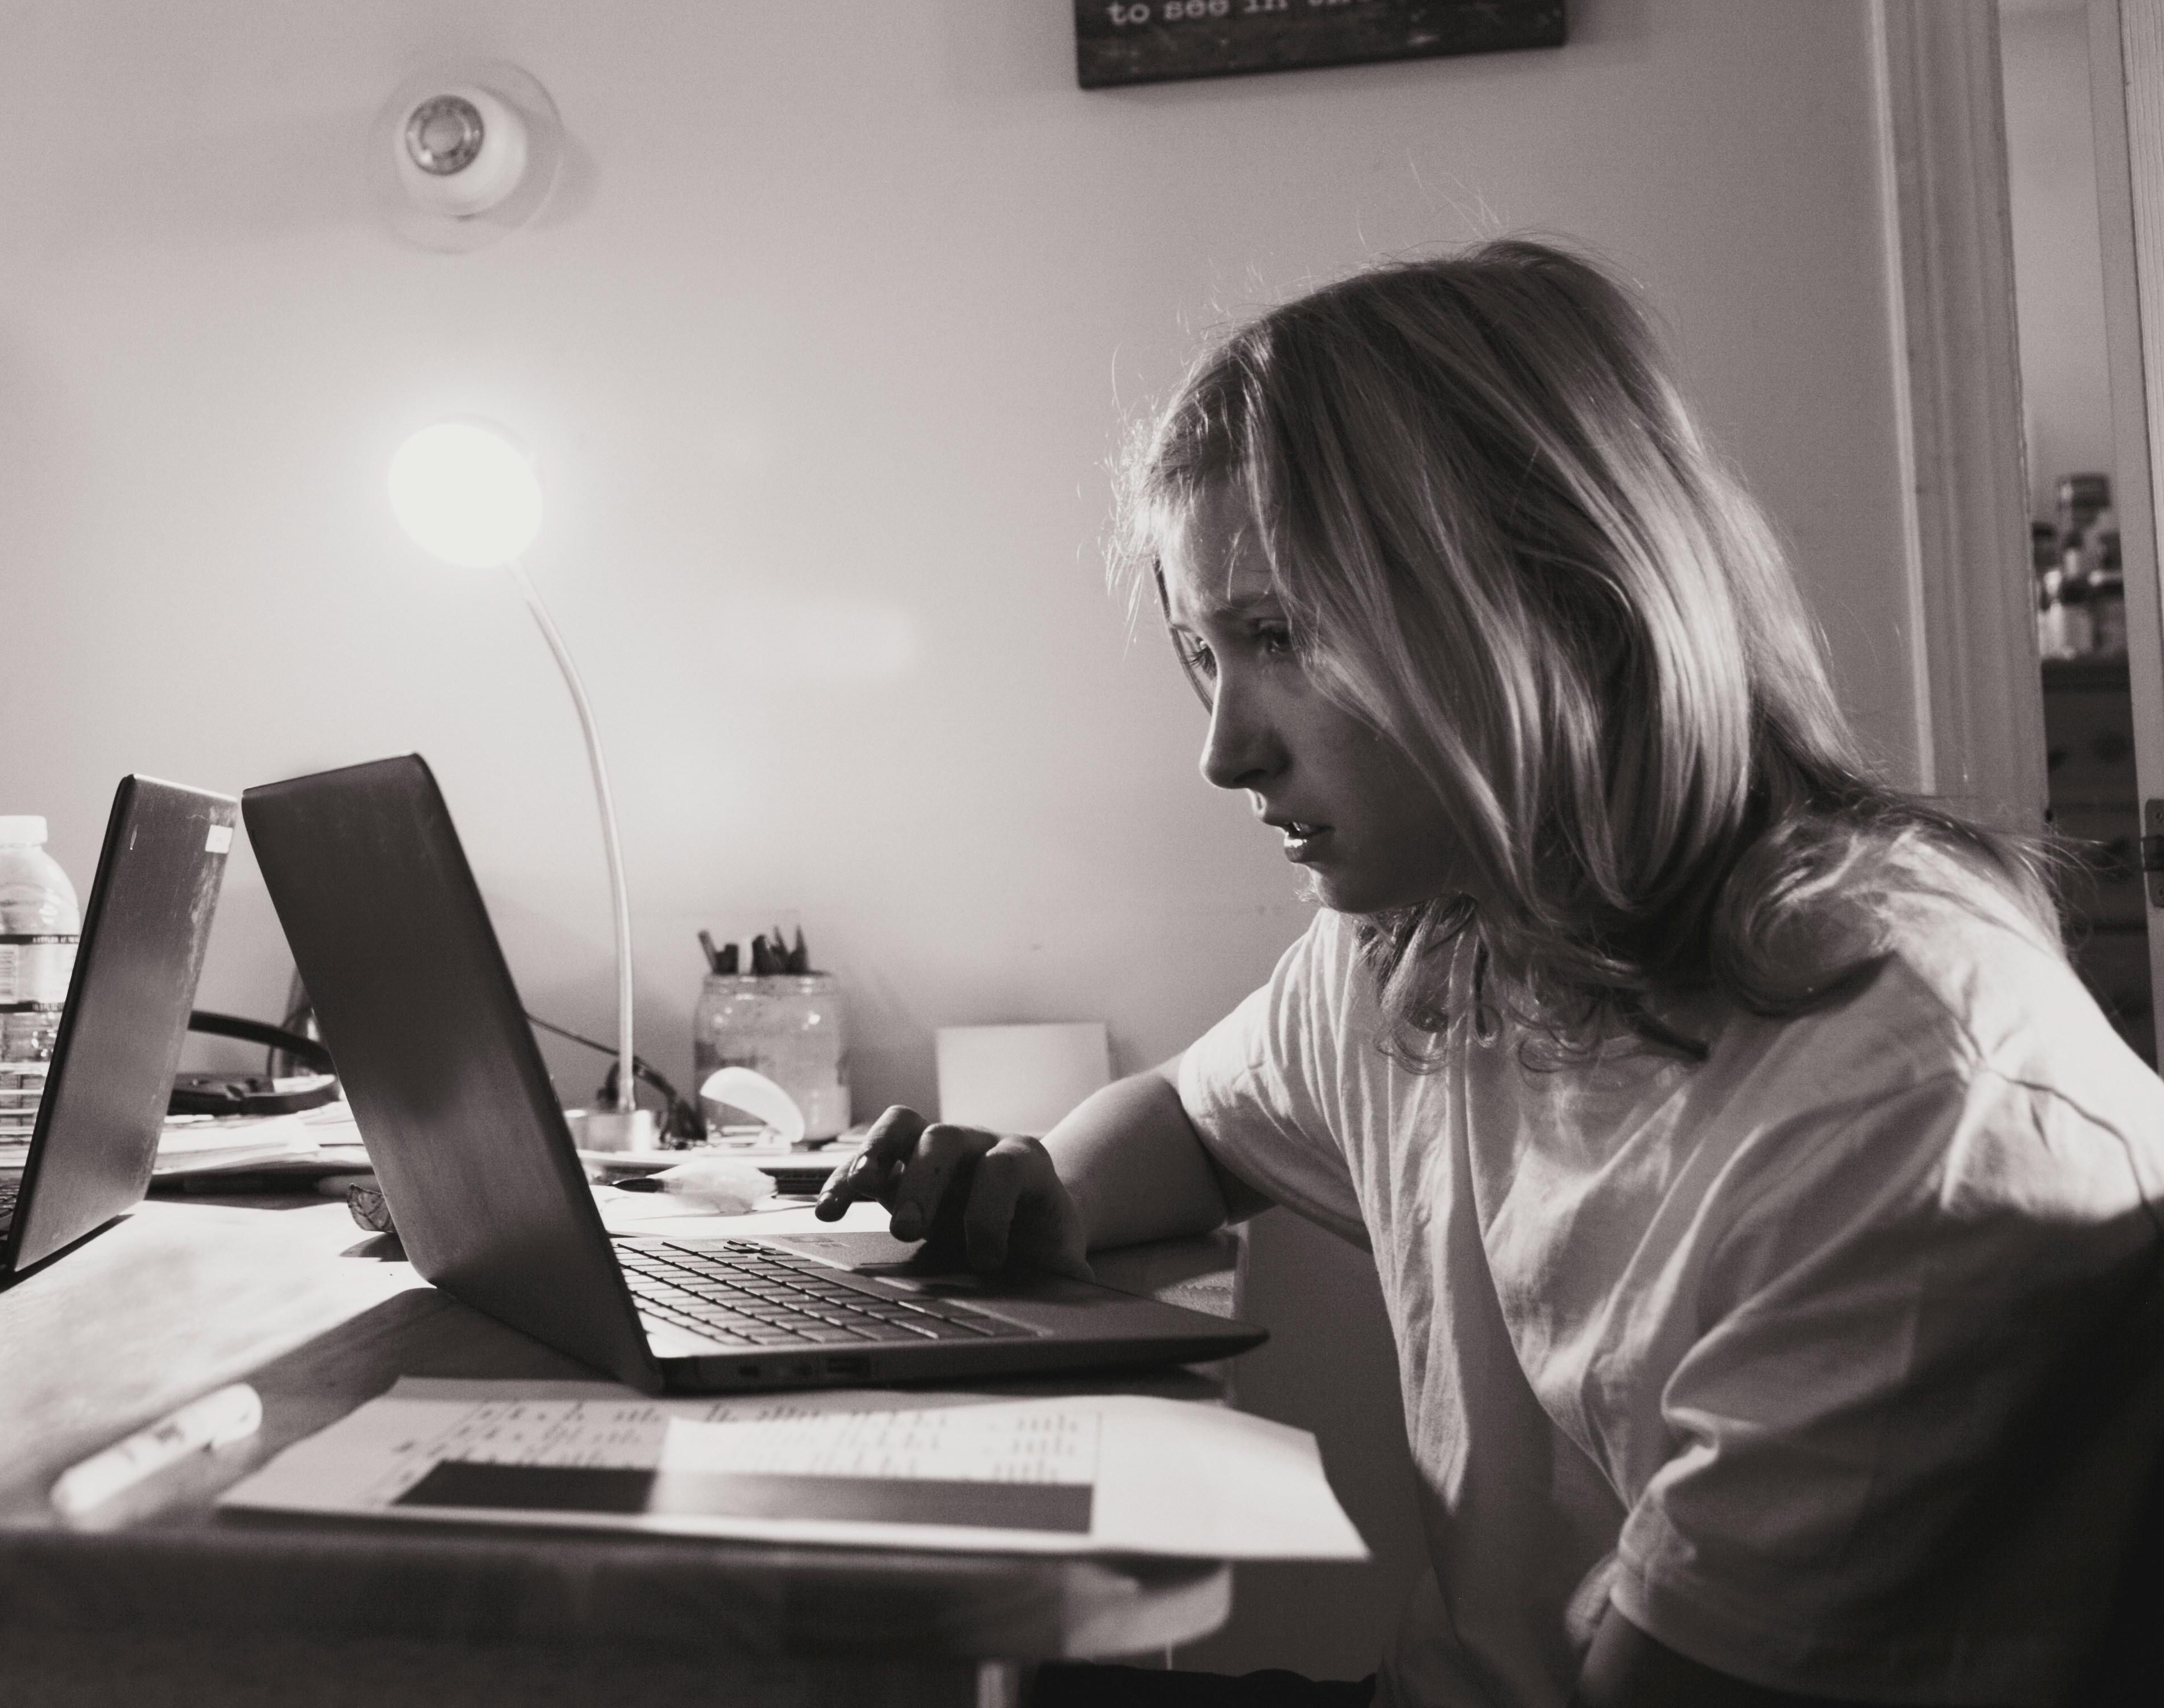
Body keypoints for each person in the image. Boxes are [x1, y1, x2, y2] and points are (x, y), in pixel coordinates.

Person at [820, 241, 2164, 1708]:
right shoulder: (1438, 928)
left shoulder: (1904, 1106)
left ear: (1558, 597)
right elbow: (1196, 1122)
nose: (1225, 750)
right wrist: (1041, 1191)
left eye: (1283, 634)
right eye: (1208, 653)